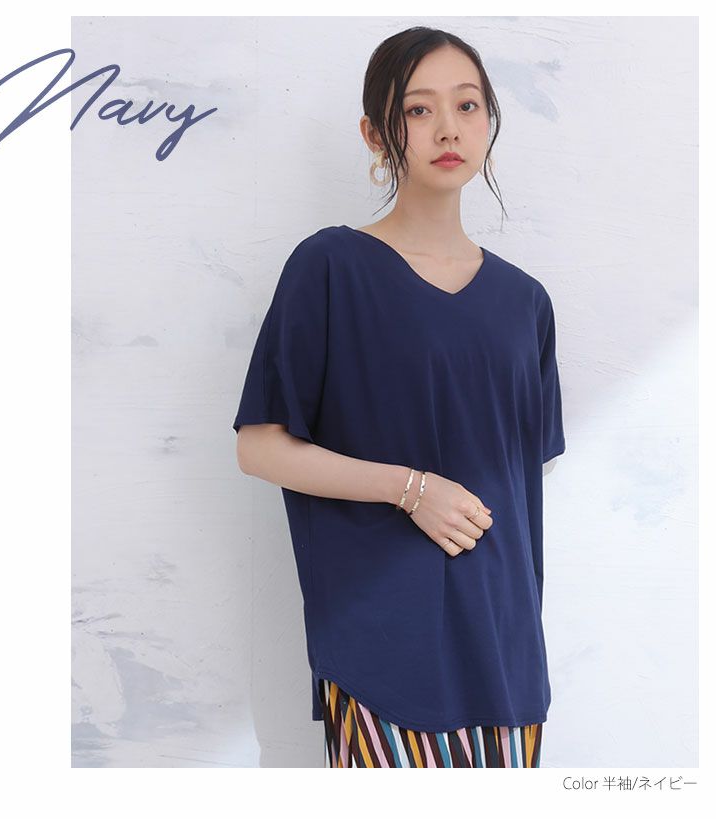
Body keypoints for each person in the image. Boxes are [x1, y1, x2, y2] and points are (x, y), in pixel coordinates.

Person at [232, 26, 565, 768]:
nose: (448, 128)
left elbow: (519, 483)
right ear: (376, 134)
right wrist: (410, 488)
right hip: (384, 647)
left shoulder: (526, 303)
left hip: (506, 652)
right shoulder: (331, 267)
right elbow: (259, 446)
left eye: (467, 105)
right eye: (418, 109)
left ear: (488, 121)